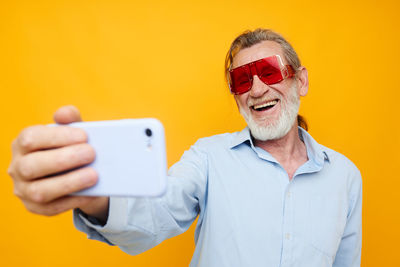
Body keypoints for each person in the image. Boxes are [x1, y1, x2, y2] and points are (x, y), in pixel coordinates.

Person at [7, 29, 362, 267]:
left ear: (300, 81)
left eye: (269, 72)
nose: (256, 89)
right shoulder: (209, 158)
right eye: (241, 80)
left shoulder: (345, 177)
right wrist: (92, 194)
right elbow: (157, 211)